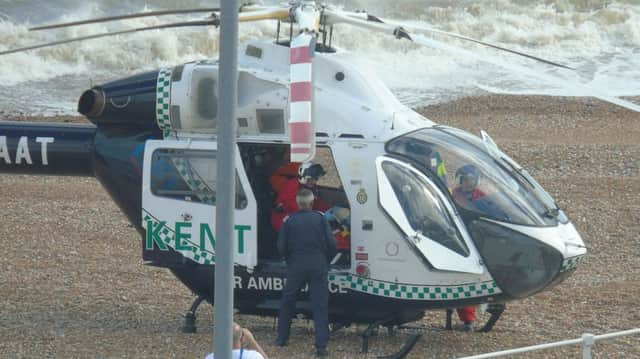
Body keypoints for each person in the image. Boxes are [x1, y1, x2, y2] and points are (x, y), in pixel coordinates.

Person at [275, 189, 337, 358]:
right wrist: (325, 259)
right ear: (311, 203)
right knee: (319, 305)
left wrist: (290, 260)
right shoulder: (320, 219)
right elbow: (332, 243)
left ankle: (282, 338)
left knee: (288, 301)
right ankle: (321, 347)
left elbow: (281, 247)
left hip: (296, 266)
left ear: (298, 203)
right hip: (318, 265)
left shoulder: (290, 221)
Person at [271, 161, 331, 231]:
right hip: (283, 220)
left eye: (316, 179)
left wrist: (330, 210)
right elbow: (299, 211)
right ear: (303, 178)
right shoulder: (292, 188)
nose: (314, 181)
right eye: (311, 179)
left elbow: (315, 203)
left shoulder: (309, 186)